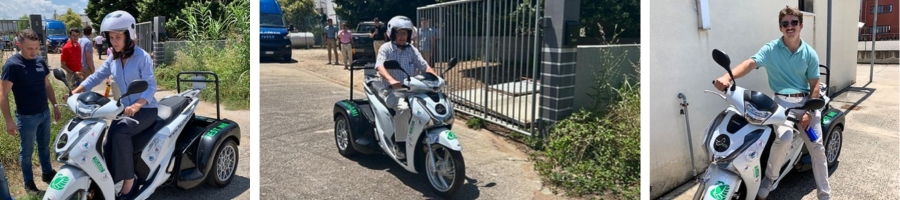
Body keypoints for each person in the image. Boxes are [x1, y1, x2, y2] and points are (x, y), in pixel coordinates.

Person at [712, 6, 829, 200]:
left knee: (817, 149)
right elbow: (750, 63)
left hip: (807, 104)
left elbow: (815, 83)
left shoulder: (810, 53)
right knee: (783, 139)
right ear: (780, 27)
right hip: (781, 104)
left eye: (793, 23)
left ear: (801, 25)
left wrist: (809, 112)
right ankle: (769, 179)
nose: (789, 26)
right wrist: (728, 77)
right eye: (785, 24)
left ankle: (825, 195)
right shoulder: (771, 49)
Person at [68, 10, 158, 199]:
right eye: (111, 37)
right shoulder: (113, 58)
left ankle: (129, 182)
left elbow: (150, 86)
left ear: (129, 36)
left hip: (145, 109)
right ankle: (108, 180)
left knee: (119, 132)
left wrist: (137, 105)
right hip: (123, 109)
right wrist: (75, 92)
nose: (114, 41)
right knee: (107, 140)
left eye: (118, 37)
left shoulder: (142, 57)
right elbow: (96, 77)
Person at [0, 29, 60, 194]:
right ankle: (29, 183)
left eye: (36, 48)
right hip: (26, 117)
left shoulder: (39, 61)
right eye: (29, 48)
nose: (33, 52)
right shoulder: (12, 65)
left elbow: (46, 84)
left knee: (44, 147)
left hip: (44, 113)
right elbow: (2, 94)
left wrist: (55, 105)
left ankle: (47, 173)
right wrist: (9, 120)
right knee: (26, 152)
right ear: (19, 44)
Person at [374, 16, 436, 160]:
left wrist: (435, 77)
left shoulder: (411, 49)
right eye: (399, 33)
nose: (402, 36)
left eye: (405, 33)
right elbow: (380, 66)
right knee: (403, 109)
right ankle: (399, 144)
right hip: (392, 90)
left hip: (412, 89)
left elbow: (424, 65)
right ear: (393, 33)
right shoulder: (386, 48)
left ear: (409, 35)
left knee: (429, 107)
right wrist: (391, 80)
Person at [79, 26, 97, 90]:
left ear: (83, 32)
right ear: (91, 33)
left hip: (79, 67)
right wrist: (92, 69)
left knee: (80, 86)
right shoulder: (88, 42)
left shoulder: (79, 40)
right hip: (86, 68)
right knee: (86, 87)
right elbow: (88, 57)